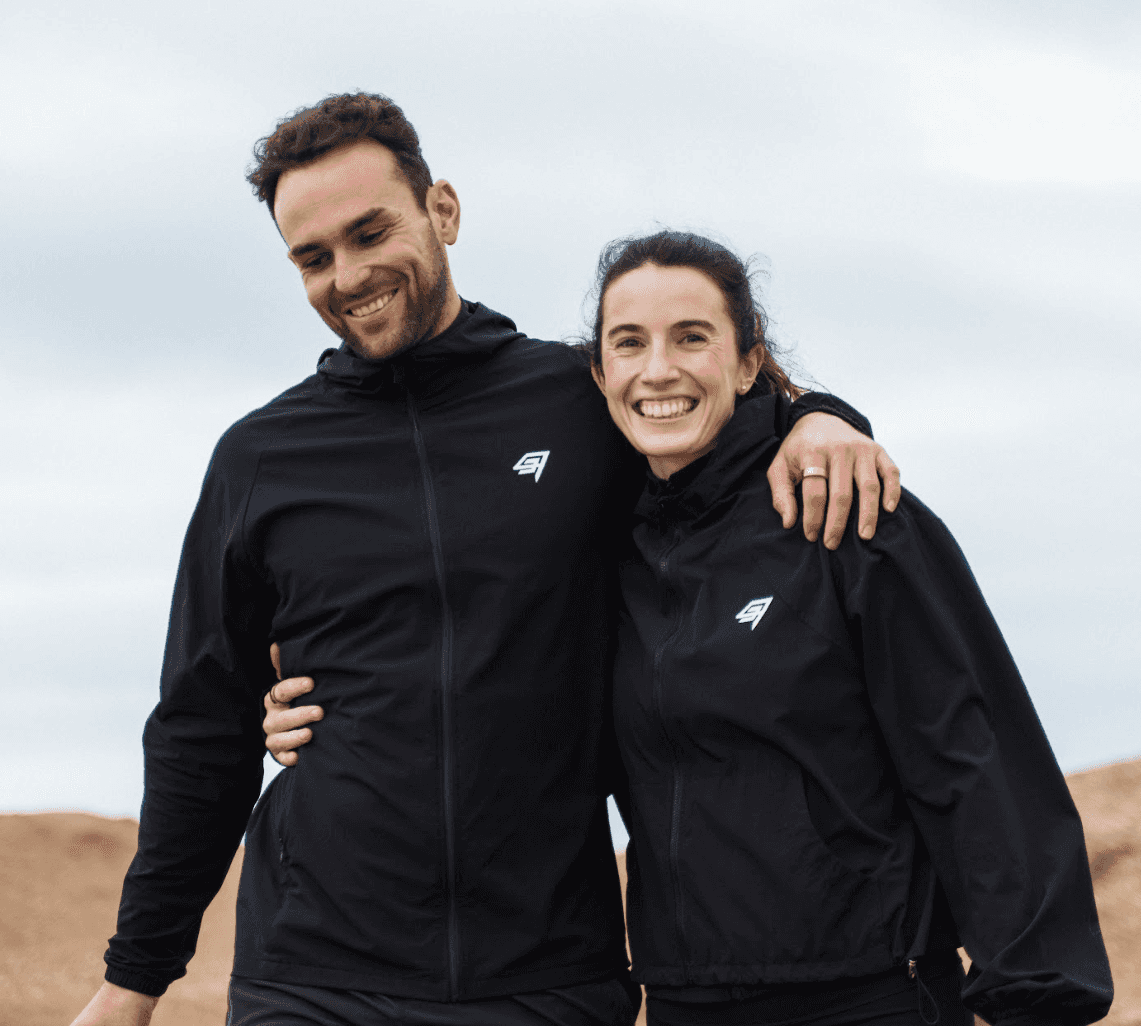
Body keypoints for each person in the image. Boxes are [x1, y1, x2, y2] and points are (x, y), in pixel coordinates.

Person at [70, 94, 899, 1026]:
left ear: (444, 213)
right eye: (313, 257)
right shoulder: (261, 459)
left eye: (369, 231)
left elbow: (710, 411)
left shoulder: (578, 403)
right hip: (316, 978)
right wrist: (134, 978)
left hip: (548, 976)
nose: (347, 274)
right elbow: (200, 727)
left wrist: (824, 415)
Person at [582, 231, 1113, 1026]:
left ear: (749, 362)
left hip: (871, 993)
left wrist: (1040, 1002)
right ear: (600, 373)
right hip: (687, 1001)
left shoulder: (848, 515)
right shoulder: (600, 550)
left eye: (692, 337)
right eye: (630, 344)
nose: (658, 370)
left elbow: (972, 761)